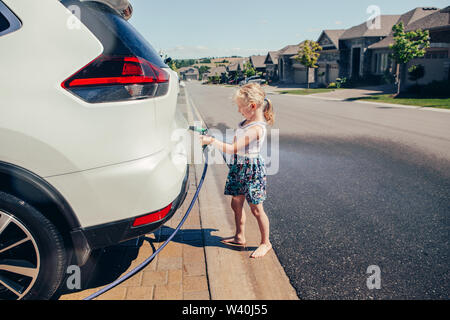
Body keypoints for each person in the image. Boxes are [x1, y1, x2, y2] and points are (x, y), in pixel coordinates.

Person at [200, 83, 275, 258]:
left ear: (253, 106)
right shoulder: (245, 123)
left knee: (256, 209)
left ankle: (266, 243)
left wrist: (211, 141)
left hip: (251, 169)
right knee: (236, 203)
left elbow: (234, 147)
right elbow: (236, 144)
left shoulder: (256, 128)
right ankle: (239, 236)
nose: (239, 111)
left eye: (241, 107)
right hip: (239, 166)